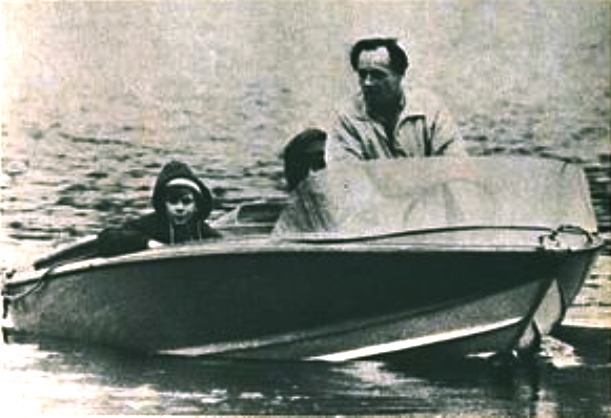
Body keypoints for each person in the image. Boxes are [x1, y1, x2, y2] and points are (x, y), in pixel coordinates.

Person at [326, 37, 467, 163]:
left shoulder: (429, 109)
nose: (367, 82)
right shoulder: (347, 117)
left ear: (399, 75)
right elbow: (346, 177)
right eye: (363, 75)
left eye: (377, 74)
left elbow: (454, 163)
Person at [96, 160, 221, 256]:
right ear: (163, 204)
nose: (180, 208)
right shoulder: (151, 224)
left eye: (186, 202)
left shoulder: (201, 231)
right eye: (173, 201)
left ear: (197, 206)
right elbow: (107, 238)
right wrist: (148, 244)